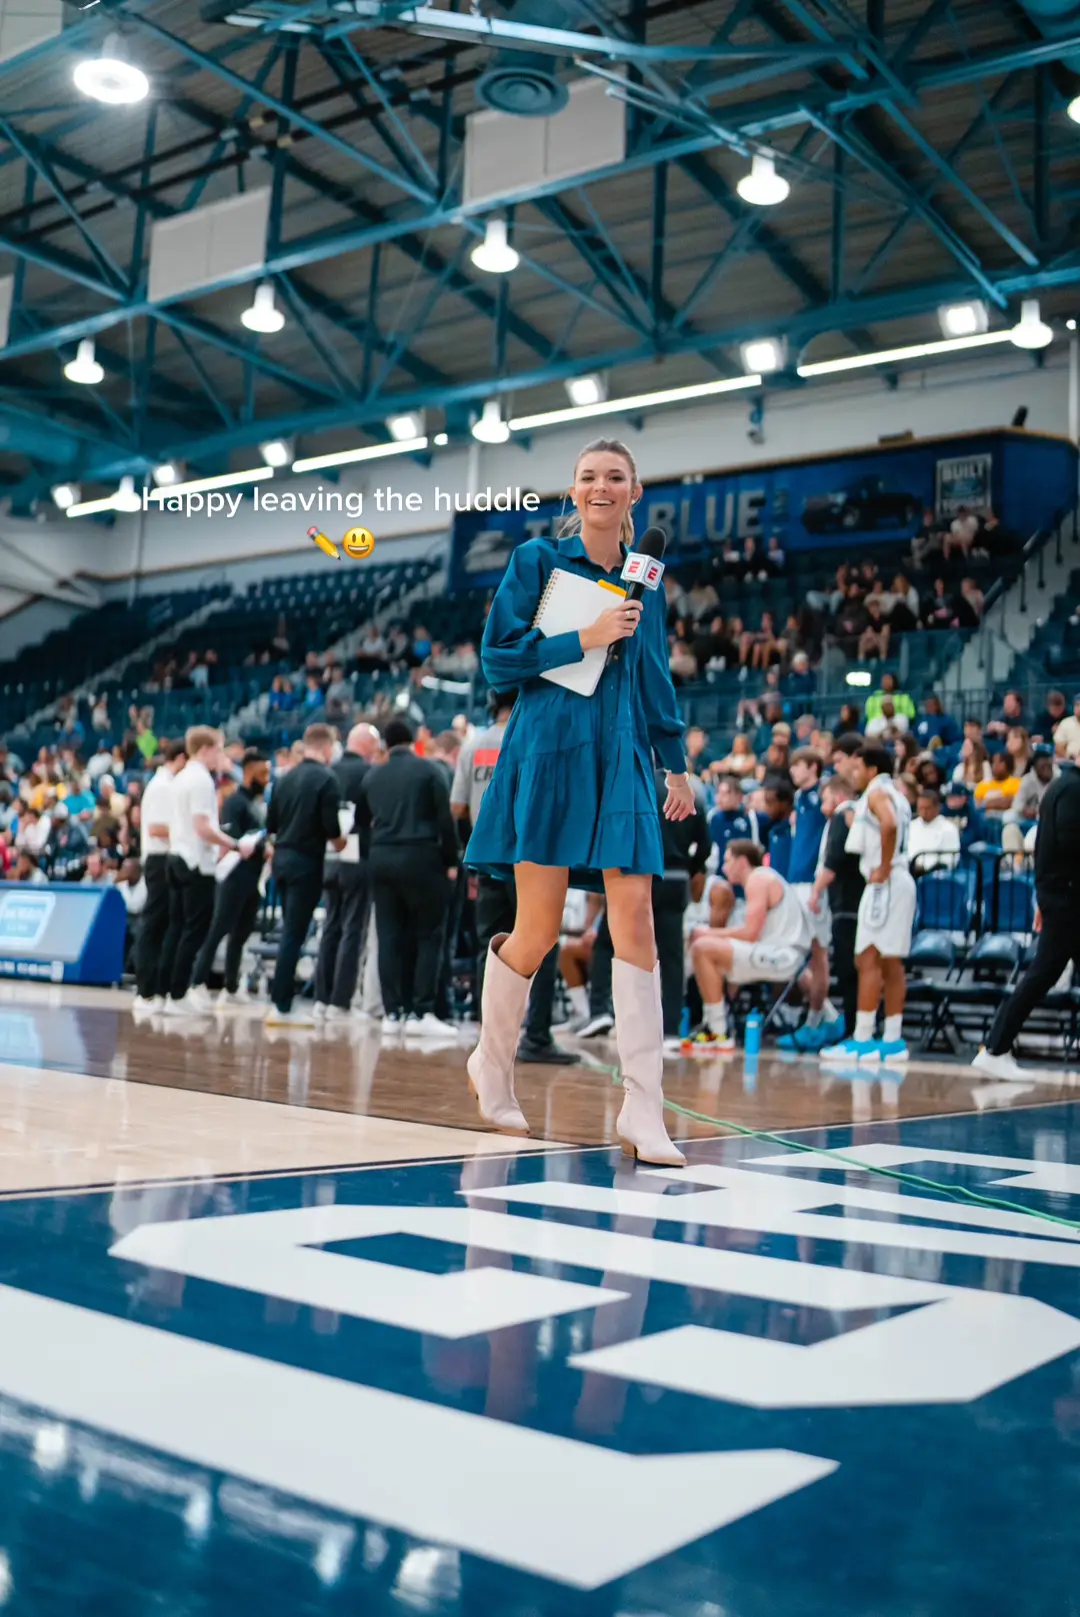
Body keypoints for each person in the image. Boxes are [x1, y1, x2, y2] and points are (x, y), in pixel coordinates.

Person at [464, 437, 695, 1165]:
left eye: (615, 477)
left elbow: (653, 675)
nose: (602, 486)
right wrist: (582, 636)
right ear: (574, 490)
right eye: (589, 476)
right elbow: (498, 660)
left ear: (635, 491)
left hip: (622, 756)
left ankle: (643, 1107)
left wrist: (676, 766)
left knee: (636, 913)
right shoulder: (537, 561)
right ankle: (491, 1061)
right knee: (536, 928)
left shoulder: (647, 582)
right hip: (548, 750)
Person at [452, 691, 575, 1064]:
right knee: (542, 942)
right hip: (530, 853)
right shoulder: (535, 736)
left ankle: (487, 1037)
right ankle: (536, 1035)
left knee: (490, 946)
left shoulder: (473, 745)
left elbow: (457, 806)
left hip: (488, 852)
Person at [973, 764, 1080, 1079]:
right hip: (1069, 899)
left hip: (1060, 896)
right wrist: (1050, 896)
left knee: (1042, 974)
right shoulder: (1073, 790)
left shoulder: (1059, 787)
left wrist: (1044, 895)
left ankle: (996, 1048)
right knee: (1041, 974)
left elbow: (1047, 848)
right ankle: (995, 1049)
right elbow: (1070, 845)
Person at [359, 717, 458, 1037]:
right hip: (422, 857)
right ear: (414, 740)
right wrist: (451, 861)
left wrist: (370, 858)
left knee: (389, 935)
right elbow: (445, 821)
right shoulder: (430, 771)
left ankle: (393, 1013)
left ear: (385, 744)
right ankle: (422, 1011)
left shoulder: (372, 776)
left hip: (382, 859)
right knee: (428, 935)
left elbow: (361, 824)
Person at [820, 743, 915, 1064]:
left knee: (867, 957)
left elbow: (889, 824)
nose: (854, 773)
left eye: (858, 767)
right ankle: (892, 1039)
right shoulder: (896, 793)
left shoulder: (876, 793)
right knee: (891, 962)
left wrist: (884, 866)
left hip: (886, 882)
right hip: (899, 881)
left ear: (872, 769)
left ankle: (862, 1038)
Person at [685, 840, 811, 1051]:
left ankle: (718, 1030)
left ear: (742, 862)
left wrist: (709, 932)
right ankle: (714, 1023)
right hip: (781, 952)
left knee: (702, 948)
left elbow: (750, 934)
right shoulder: (763, 877)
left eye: (728, 861)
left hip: (781, 956)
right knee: (710, 954)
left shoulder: (757, 880)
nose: (724, 868)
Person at [162, 727, 250, 1016]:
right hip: (195, 862)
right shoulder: (200, 779)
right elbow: (202, 827)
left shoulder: (180, 777)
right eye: (219, 749)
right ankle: (179, 993)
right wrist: (233, 844)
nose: (220, 756)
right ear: (205, 749)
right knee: (194, 931)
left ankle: (168, 991)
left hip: (176, 855)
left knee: (177, 929)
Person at [265, 723, 347, 1028]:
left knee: (290, 931)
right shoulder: (327, 779)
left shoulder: (284, 778)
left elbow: (271, 824)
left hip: (281, 859)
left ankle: (280, 999)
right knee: (293, 934)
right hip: (306, 862)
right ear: (326, 747)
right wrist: (342, 841)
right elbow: (331, 829)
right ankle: (282, 1004)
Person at [187, 749, 271, 1008]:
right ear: (249, 773)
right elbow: (233, 837)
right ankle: (197, 982)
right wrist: (260, 847)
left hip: (254, 876)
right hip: (234, 874)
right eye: (262, 773)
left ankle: (231, 986)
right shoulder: (235, 802)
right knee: (218, 930)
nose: (266, 779)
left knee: (241, 934)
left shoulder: (258, 804)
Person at [313, 723, 379, 1022]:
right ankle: (340, 1000)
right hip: (357, 857)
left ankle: (321, 998)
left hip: (329, 858)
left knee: (330, 926)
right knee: (353, 929)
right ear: (368, 746)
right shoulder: (369, 774)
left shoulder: (328, 772)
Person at [784, 748, 842, 1049]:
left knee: (819, 953)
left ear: (813, 767)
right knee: (787, 952)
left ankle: (816, 1020)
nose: (793, 771)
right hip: (794, 882)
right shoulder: (799, 798)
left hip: (813, 882)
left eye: (798, 765)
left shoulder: (824, 795)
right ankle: (829, 1015)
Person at [652, 765, 709, 1047]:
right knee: (672, 958)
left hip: (642, 876)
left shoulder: (641, 785)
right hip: (676, 878)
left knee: (631, 952)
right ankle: (671, 1030)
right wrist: (690, 867)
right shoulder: (693, 792)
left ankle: (629, 1024)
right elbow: (705, 846)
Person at [131, 740, 188, 1013]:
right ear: (181, 758)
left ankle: (155, 987)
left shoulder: (165, 784)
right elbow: (156, 828)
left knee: (163, 923)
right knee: (154, 923)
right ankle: (145, 990)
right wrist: (188, 831)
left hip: (164, 858)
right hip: (158, 859)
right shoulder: (163, 786)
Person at [707, 774, 761, 867]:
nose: (719, 798)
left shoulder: (751, 817)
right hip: (719, 871)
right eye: (718, 793)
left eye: (725, 794)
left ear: (738, 796)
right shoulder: (713, 817)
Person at [908, 789, 961, 873]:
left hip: (935, 875)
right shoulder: (911, 826)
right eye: (920, 808)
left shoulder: (949, 829)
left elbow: (950, 861)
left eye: (927, 808)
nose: (924, 812)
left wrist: (927, 869)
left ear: (937, 807)